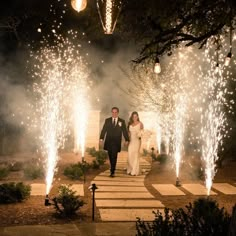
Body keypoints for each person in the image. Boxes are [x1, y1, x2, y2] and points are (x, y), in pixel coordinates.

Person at [100, 107, 129, 177]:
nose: (114, 113)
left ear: (118, 113)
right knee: (110, 155)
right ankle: (112, 167)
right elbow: (104, 130)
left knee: (114, 156)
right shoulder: (107, 120)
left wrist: (127, 139)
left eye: (115, 112)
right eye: (113, 112)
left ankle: (112, 171)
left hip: (116, 142)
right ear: (111, 112)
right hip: (109, 141)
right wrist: (101, 138)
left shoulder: (122, 121)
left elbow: (124, 131)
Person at [127, 111, 144, 176]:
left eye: (136, 116)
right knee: (130, 154)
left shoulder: (140, 124)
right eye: (133, 117)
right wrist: (127, 141)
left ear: (137, 117)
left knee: (136, 155)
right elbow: (129, 134)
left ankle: (134, 171)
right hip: (131, 141)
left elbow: (142, 132)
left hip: (137, 141)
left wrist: (140, 135)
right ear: (132, 117)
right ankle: (131, 168)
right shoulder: (130, 124)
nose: (135, 118)